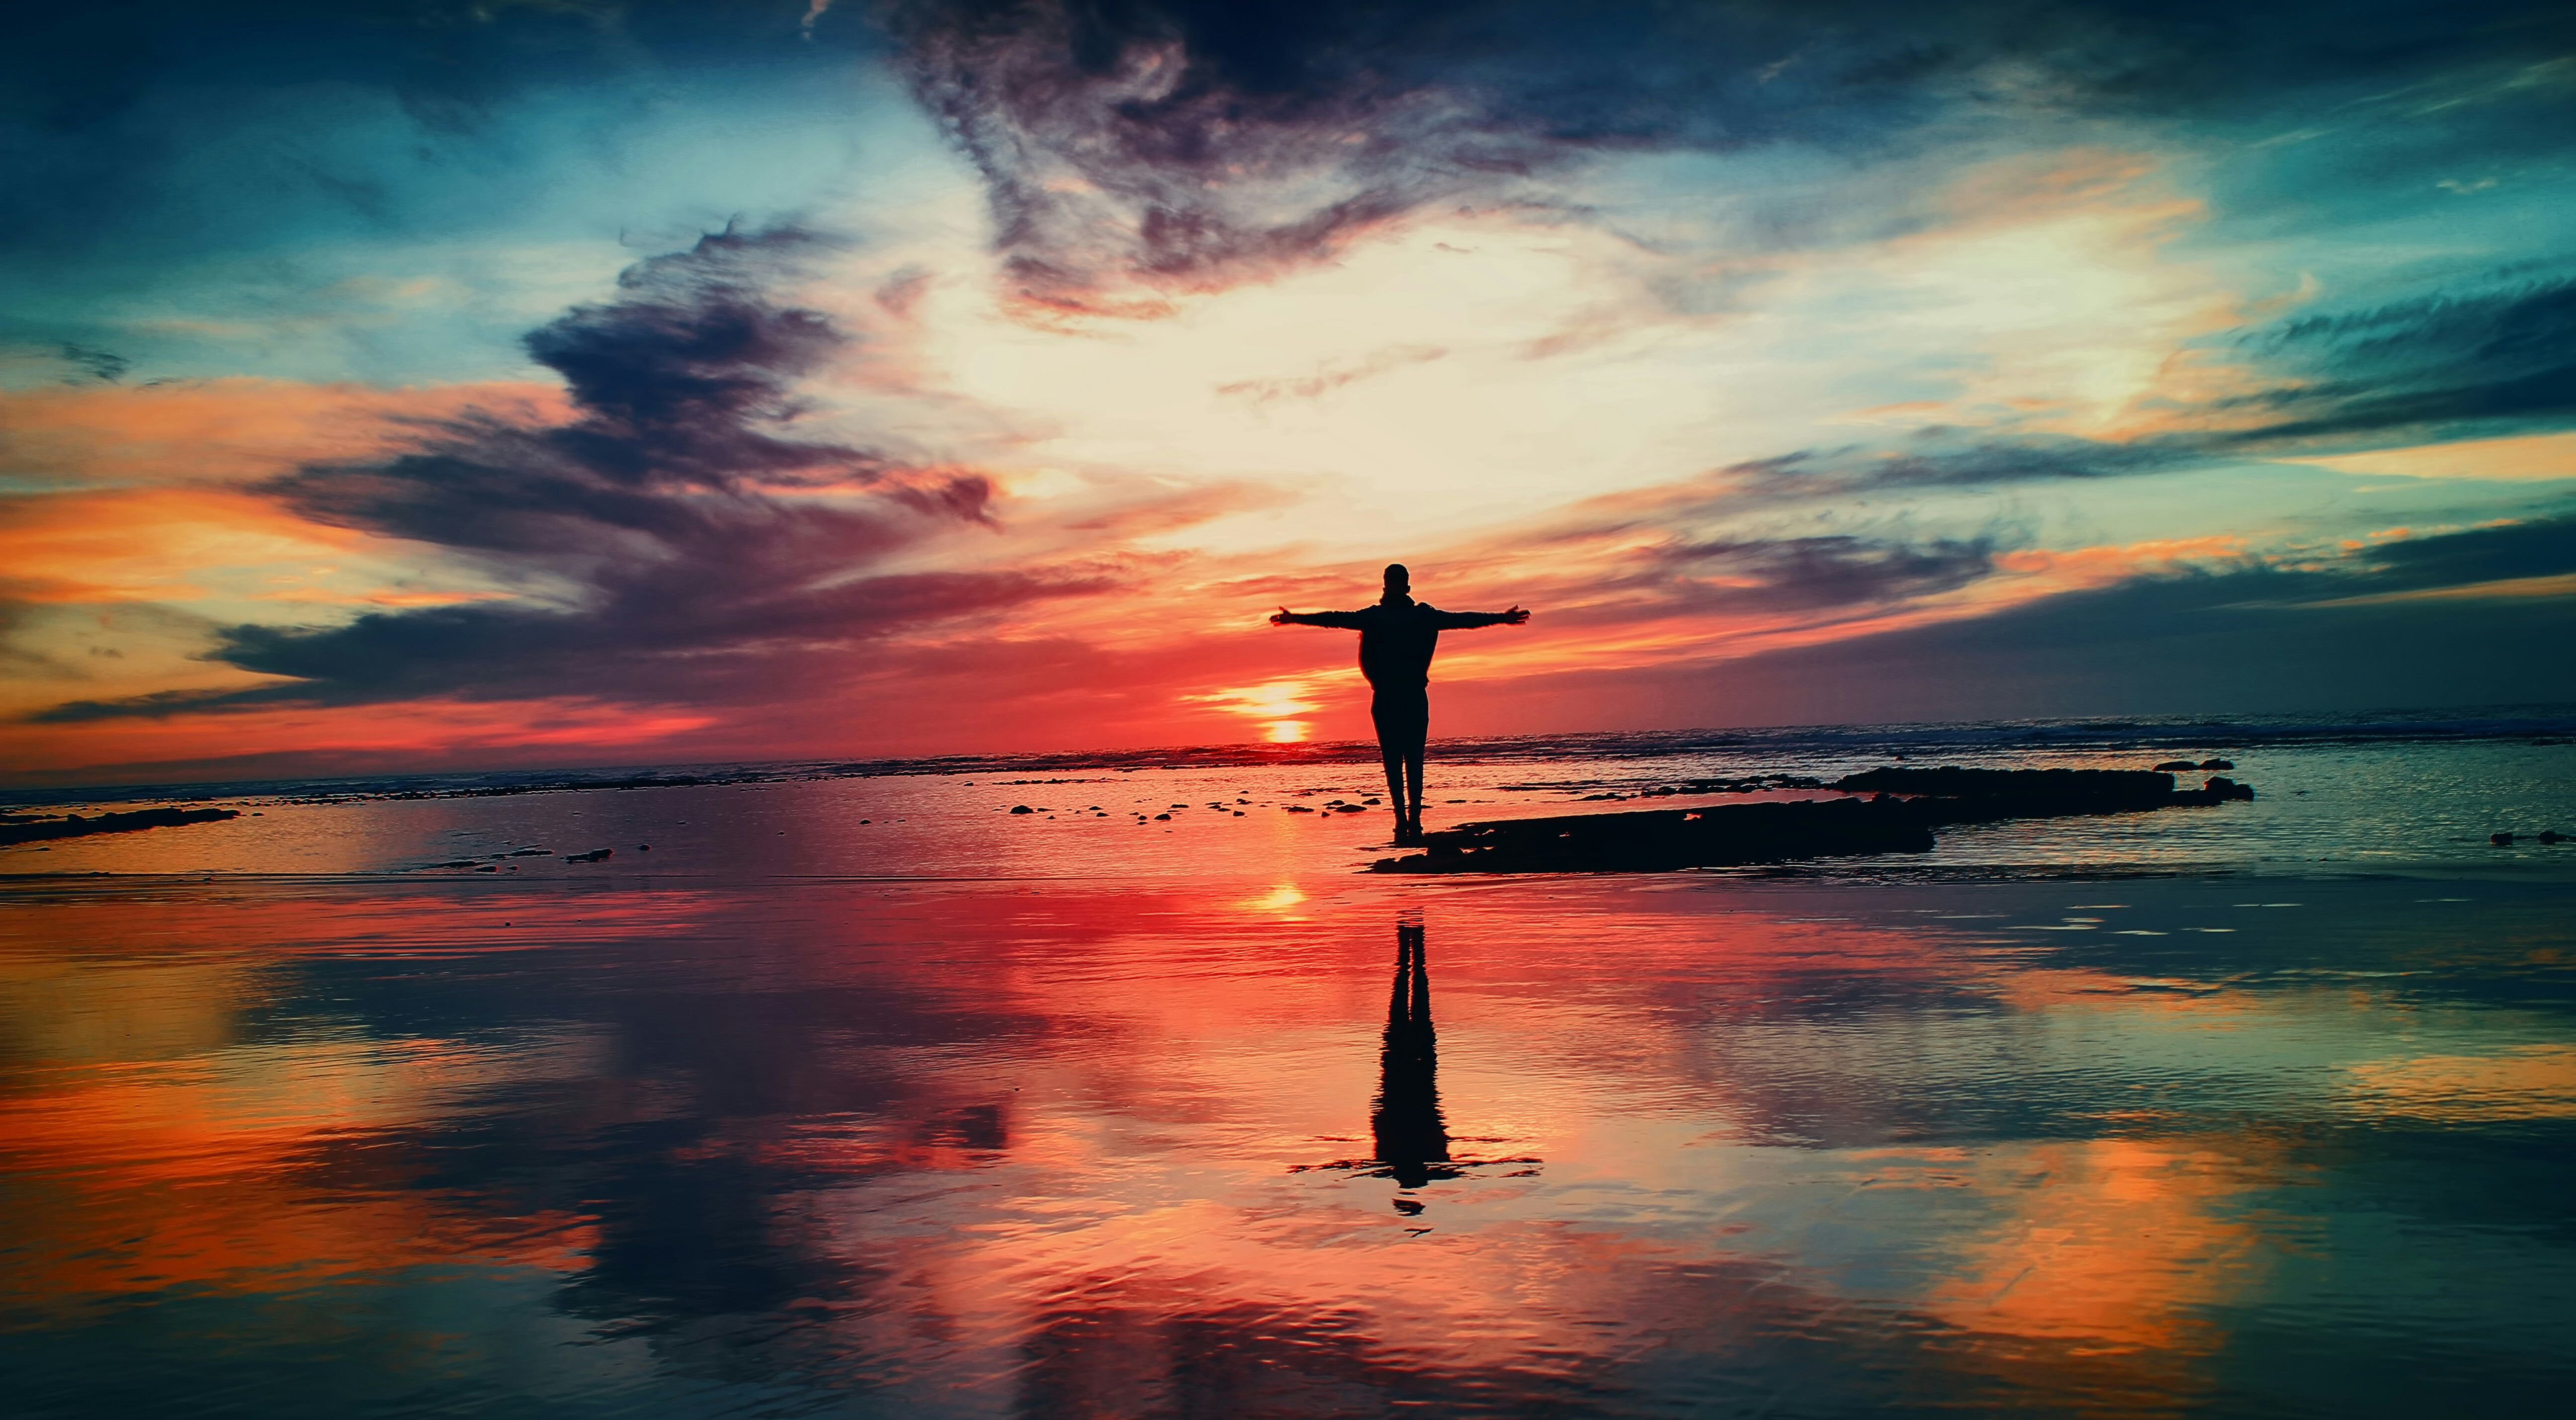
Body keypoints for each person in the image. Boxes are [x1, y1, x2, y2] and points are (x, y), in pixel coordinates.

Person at [1271, 564, 1529, 843]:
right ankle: (1408, 817)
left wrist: (1295, 618)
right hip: (1403, 696)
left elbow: (1462, 620)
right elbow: (1336, 618)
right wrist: (1501, 619)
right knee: (1406, 759)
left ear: (1389, 587)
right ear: (1406, 588)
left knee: (1400, 759)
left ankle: (1407, 818)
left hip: (1395, 696)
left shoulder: (1390, 617)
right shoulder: (1408, 617)